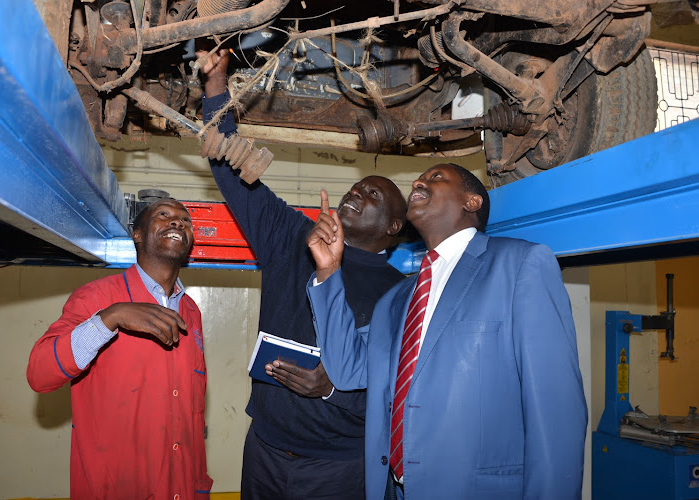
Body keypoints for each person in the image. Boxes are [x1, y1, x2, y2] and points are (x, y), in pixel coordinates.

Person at [305, 163, 588, 499]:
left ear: (472, 202)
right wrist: (329, 270)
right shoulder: (395, 301)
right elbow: (349, 369)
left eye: (436, 177)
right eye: (420, 176)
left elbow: (556, 415)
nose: (418, 180)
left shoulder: (519, 265)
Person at [199, 50, 408, 499]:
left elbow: (396, 384)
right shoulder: (292, 236)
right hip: (264, 451)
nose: (358, 192)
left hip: (339, 466)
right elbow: (233, 175)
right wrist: (216, 87)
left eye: (373, 193)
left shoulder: (400, 292)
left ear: (394, 228)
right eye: (356, 186)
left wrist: (334, 389)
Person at [26, 198, 213, 499]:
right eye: (164, 215)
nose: (177, 222)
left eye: (185, 220)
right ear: (137, 234)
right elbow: (40, 372)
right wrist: (109, 319)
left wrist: (199, 486)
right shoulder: (96, 298)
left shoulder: (191, 312)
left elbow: (193, 412)